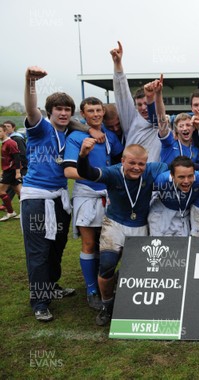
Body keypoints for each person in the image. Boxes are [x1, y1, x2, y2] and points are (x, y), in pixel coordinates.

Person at [21, 66, 103, 322]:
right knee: (39, 252)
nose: (64, 113)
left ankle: (52, 286)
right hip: (36, 199)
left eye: (68, 109)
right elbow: (31, 108)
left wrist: (89, 129)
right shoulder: (40, 127)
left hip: (58, 198)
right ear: (50, 112)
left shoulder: (68, 131)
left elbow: (77, 122)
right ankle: (39, 301)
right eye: (59, 109)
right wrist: (30, 82)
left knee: (57, 247)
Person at [77, 142, 168, 326]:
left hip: (140, 225)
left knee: (140, 270)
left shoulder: (154, 170)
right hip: (115, 224)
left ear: (147, 163)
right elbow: (89, 173)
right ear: (122, 161)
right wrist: (83, 156)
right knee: (107, 265)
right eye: (132, 163)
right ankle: (107, 305)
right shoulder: (113, 172)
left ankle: (133, 303)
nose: (136, 168)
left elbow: (175, 169)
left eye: (141, 164)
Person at [63, 97, 124, 310]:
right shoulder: (76, 137)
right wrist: (97, 176)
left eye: (99, 110)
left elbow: (119, 162)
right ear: (83, 113)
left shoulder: (109, 136)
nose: (96, 114)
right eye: (91, 111)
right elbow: (69, 170)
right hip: (87, 194)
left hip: (109, 195)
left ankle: (106, 282)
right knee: (89, 244)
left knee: (108, 243)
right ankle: (91, 290)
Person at [111, 41, 162, 162]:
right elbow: (122, 94)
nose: (144, 108)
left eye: (146, 103)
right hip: (131, 174)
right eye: (139, 105)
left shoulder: (163, 123)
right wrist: (118, 64)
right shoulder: (131, 120)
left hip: (154, 175)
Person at [149, 156, 199, 236]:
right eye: (181, 177)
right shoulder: (161, 181)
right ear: (172, 175)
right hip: (162, 214)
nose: (186, 181)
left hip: (184, 216)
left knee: (182, 247)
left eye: (190, 176)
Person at [0, 123, 22, 221]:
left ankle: (10, 212)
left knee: (1, 191)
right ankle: (26, 211)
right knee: (19, 192)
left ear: (5, 131)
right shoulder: (4, 143)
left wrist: (18, 172)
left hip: (11, 171)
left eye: (0, 131)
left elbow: (17, 158)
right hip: (7, 170)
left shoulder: (10, 143)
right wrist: (2, 170)